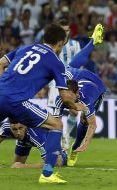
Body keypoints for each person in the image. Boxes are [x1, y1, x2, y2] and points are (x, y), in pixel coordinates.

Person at [0, 23, 88, 183]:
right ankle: (47, 175)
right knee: (57, 125)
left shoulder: (26, 48)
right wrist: (77, 106)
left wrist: (6, 86)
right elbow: (65, 98)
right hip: (15, 100)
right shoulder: (55, 61)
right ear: (60, 43)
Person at [47, 19, 104, 150]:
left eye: (67, 30)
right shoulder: (52, 45)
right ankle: (57, 141)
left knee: (73, 110)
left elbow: (79, 61)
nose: (66, 32)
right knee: (57, 112)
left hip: (70, 77)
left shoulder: (74, 44)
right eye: (63, 30)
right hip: (55, 80)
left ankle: (65, 135)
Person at [53, 68, 106, 167]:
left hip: (97, 85)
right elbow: (55, 123)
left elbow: (93, 125)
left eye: (69, 96)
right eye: (65, 95)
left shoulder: (86, 101)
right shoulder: (61, 98)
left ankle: (75, 148)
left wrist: (85, 144)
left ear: (77, 93)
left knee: (84, 120)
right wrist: (58, 146)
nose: (66, 99)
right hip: (79, 75)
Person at [0, 122, 67, 169]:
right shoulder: (6, 127)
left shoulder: (36, 135)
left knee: (57, 161)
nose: (18, 133)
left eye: (20, 128)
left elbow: (56, 163)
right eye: (14, 129)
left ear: (25, 126)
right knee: (15, 164)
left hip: (47, 138)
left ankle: (63, 153)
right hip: (24, 141)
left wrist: (24, 166)